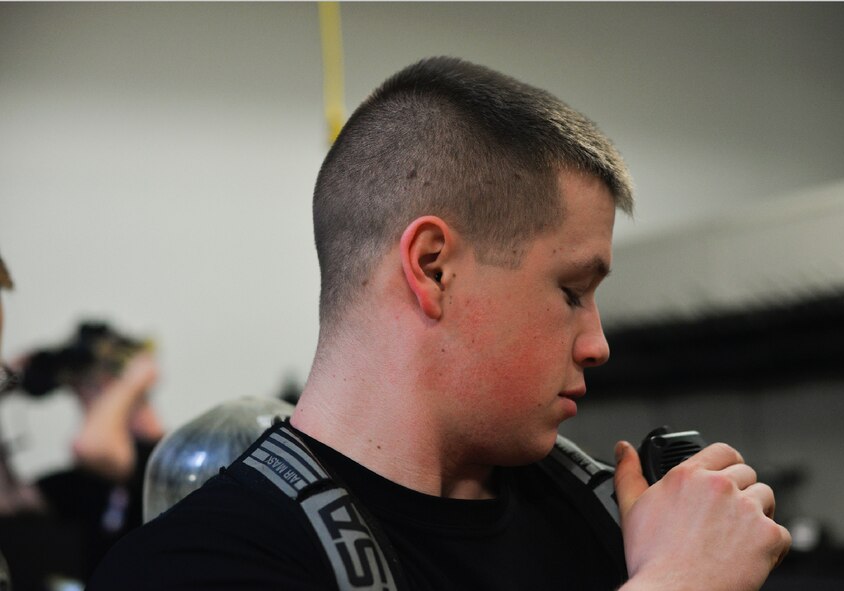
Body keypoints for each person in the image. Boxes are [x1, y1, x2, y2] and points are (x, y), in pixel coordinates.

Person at [88, 57, 791, 590]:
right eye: (572, 289)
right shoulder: (200, 564)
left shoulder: (613, 525)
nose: (598, 342)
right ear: (431, 268)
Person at [0, 254, 163, 588]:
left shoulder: (160, 458)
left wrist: (130, 381)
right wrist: (7, 383)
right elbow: (8, 500)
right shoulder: (86, 479)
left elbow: (91, 447)